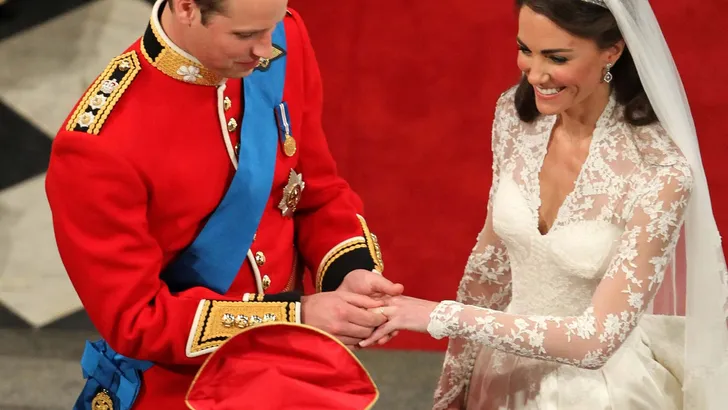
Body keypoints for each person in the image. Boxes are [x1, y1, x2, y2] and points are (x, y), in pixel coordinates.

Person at [360, 0, 728, 409]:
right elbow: (490, 264)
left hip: (596, 393)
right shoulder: (514, 117)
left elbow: (596, 342)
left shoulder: (661, 172)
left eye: (556, 57)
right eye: (525, 50)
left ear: (613, 50)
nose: (535, 74)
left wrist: (438, 317)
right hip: (499, 371)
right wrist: (456, 382)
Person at [45, 0, 403, 408]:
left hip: (298, 368)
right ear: (186, 8)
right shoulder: (96, 144)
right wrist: (294, 315)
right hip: (184, 384)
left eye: (269, 30)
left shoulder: (280, 34)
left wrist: (347, 273)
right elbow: (137, 320)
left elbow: (315, 190)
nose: (266, 50)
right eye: (245, 36)